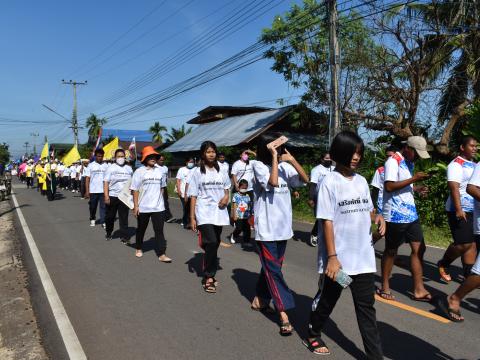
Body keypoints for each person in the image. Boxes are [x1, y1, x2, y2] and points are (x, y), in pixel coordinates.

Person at [304, 131, 385, 358]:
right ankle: (313, 332)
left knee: (366, 310)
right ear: (340, 152)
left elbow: (369, 210)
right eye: (351, 152)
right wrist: (332, 257)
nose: (356, 157)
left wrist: (377, 218)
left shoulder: (360, 181)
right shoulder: (329, 182)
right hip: (339, 261)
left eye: (359, 153)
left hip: (364, 260)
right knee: (329, 300)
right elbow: (326, 221)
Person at [250, 134, 309, 336]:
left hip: (283, 229)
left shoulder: (285, 167)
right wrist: (275, 158)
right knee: (274, 270)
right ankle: (284, 314)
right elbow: (273, 182)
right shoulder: (257, 165)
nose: (279, 149)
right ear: (266, 148)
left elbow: (305, 179)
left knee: (272, 268)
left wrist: (291, 160)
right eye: (275, 146)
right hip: (266, 230)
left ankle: (260, 298)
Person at [378, 136, 431, 302]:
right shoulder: (393, 162)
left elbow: (404, 184)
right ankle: (384, 286)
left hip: (410, 213)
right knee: (391, 251)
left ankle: (418, 288)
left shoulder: (409, 161)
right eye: (417, 153)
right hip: (395, 214)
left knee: (419, 248)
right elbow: (389, 186)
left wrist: (416, 188)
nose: (417, 157)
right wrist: (414, 179)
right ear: (408, 148)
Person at [189, 141, 231, 293]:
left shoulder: (222, 171)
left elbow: (227, 190)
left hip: (219, 212)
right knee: (212, 241)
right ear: (203, 154)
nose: (211, 154)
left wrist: (226, 198)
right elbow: (193, 195)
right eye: (208, 152)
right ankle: (209, 277)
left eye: (213, 151)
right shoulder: (196, 172)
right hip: (204, 212)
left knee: (214, 243)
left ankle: (208, 262)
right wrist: (192, 217)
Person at [437, 136, 478, 282]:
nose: (475, 148)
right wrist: (459, 209)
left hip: (474, 209)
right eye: (472, 146)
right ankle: (444, 263)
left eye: (476, 146)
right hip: (458, 209)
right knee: (463, 243)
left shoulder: (474, 164)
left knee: (472, 242)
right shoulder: (456, 164)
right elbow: (454, 187)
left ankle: (468, 274)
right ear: (462, 147)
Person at [130, 146, 172, 262]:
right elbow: (135, 190)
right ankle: (138, 248)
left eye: (155, 156)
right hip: (143, 207)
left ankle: (162, 254)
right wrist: (136, 206)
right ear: (145, 158)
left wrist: (161, 202)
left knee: (159, 231)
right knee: (141, 229)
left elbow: (162, 188)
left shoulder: (160, 171)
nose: (153, 158)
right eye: (150, 156)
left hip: (158, 207)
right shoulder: (139, 171)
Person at [104, 149, 133, 243]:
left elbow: (132, 182)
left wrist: (131, 195)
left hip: (124, 197)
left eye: (122, 156)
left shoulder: (129, 168)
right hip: (112, 196)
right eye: (118, 156)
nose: (120, 158)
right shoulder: (111, 168)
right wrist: (106, 196)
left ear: (125, 157)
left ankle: (124, 236)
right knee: (110, 217)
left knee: (124, 217)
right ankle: (109, 232)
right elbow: (106, 182)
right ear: (115, 157)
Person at [308, 153, 334, 247]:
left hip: (332, 198)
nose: (329, 159)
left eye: (330, 158)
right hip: (320, 197)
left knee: (332, 217)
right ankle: (315, 234)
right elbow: (313, 185)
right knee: (321, 217)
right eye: (327, 158)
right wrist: (311, 198)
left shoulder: (334, 169)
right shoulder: (316, 170)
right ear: (322, 159)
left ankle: (329, 237)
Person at [371, 146, 397, 214]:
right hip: (382, 204)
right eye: (387, 156)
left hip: (396, 205)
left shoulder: (401, 170)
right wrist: (374, 205)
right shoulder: (380, 170)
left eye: (391, 156)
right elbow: (375, 189)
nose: (389, 158)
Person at [85, 149, 108, 227]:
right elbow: (87, 179)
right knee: (92, 206)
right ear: (95, 156)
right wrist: (87, 191)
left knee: (103, 207)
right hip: (93, 191)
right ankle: (92, 218)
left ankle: (103, 221)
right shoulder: (91, 165)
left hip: (103, 190)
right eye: (98, 156)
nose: (100, 158)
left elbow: (108, 179)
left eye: (101, 156)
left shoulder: (106, 165)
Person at [227, 179, 252, 244]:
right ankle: (234, 235)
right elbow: (234, 206)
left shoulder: (247, 195)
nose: (244, 189)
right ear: (239, 187)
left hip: (246, 215)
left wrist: (250, 214)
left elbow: (249, 205)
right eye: (242, 188)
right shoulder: (236, 195)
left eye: (245, 188)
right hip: (238, 215)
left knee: (247, 229)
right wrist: (234, 215)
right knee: (239, 228)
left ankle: (246, 241)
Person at [176, 157, 196, 228]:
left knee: (192, 207)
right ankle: (186, 221)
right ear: (186, 162)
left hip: (192, 192)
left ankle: (191, 221)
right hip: (183, 191)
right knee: (186, 207)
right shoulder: (182, 169)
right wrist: (179, 190)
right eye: (190, 162)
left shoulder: (195, 169)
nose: (191, 163)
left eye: (192, 162)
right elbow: (178, 180)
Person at [156, 154, 173, 222]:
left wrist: (166, 186)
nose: (162, 161)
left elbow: (165, 178)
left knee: (165, 202)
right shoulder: (155, 167)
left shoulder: (165, 168)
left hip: (164, 187)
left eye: (163, 160)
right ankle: (165, 216)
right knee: (157, 202)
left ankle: (167, 216)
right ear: (157, 160)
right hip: (156, 187)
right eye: (160, 160)